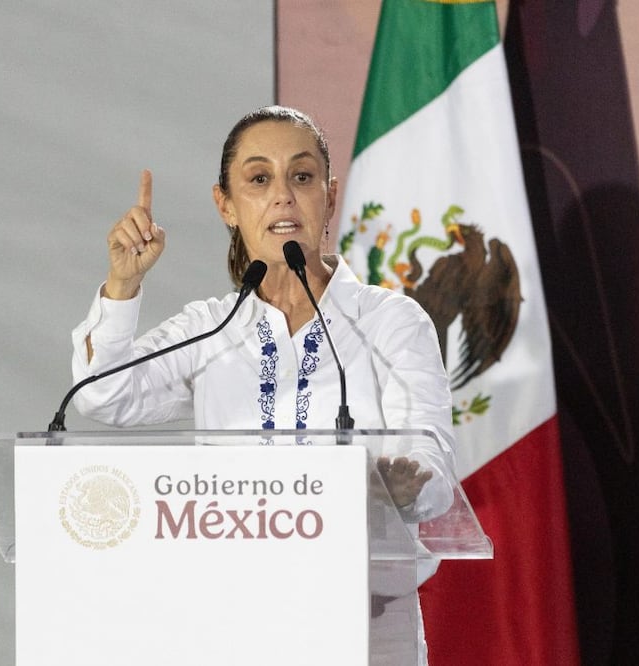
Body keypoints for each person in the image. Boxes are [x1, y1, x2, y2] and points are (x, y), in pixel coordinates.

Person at [70, 106, 457, 665]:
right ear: (225, 204)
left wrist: (404, 484)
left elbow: (434, 461)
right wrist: (123, 285)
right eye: (258, 179)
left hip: (365, 619)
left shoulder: (390, 322)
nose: (283, 196)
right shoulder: (211, 328)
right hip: (230, 620)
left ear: (329, 193)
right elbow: (103, 395)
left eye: (301, 176)